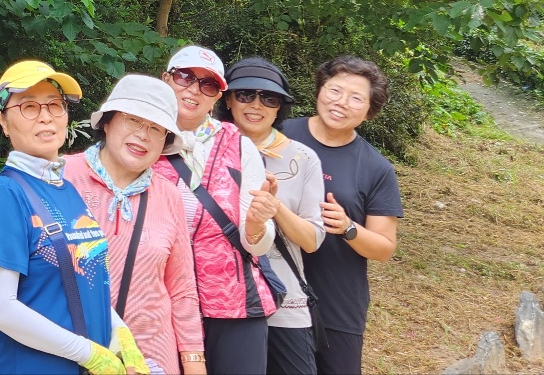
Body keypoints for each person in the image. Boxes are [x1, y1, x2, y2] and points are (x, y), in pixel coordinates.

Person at [0, 60, 156, 375]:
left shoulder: (67, 190)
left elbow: (88, 283)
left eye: (54, 105)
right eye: (29, 106)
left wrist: (121, 335)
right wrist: (86, 353)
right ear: (2, 121)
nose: (45, 116)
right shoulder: (6, 194)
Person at [65, 75, 206, 375]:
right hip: (71, 354)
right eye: (133, 120)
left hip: (152, 360)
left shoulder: (169, 196)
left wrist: (194, 363)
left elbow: (182, 289)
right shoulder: (61, 178)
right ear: (107, 122)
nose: (143, 135)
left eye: (156, 128)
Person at [152, 45, 277, 375]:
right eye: (185, 77)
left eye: (208, 84)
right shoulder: (142, 138)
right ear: (166, 79)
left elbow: (257, 244)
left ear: (218, 96)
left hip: (232, 303)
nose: (194, 89)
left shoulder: (239, 145)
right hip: (160, 303)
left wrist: (256, 224)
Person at [279, 57, 403, 375]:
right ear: (320, 89)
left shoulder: (375, 168)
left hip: (336, 303)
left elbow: (384, 248)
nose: (341, 103)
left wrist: (348, 227)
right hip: (272, 291)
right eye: (335, 91)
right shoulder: (279, 135)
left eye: (356, 98)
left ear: (369, 112)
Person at [219, 58, 326, 375]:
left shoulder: (302, 158)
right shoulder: (203, 151)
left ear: (280, 107)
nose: (256, 105)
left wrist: (273, 205)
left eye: (269, 98)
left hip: (285, 300)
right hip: (224, 299)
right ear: (228, 99)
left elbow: (312, 241)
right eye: (245, 95)